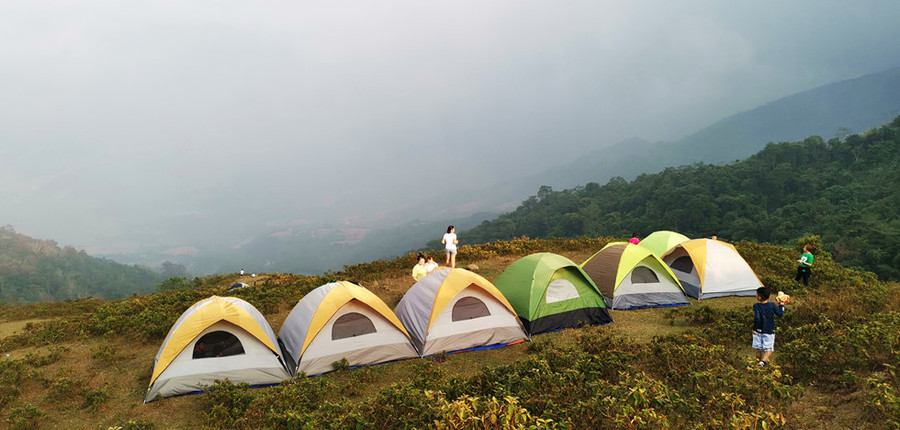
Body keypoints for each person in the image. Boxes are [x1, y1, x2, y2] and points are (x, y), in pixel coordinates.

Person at [751, 286, 786, 367]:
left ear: (759, 297)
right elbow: (780, 314)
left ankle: (759, 363)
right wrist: (781, 305)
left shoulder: (756, 306)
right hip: (769, 330)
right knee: (769, 349)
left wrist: (754, 328)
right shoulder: (772, 305)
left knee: (758, 348)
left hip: (758, 330)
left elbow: (757, 317)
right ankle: (762, 363)